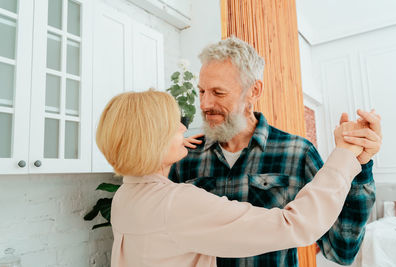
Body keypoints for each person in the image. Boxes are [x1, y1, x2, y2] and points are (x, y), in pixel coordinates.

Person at [169, 37, 382, 266]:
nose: (204, 104)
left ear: (254, 90)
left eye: (218, 93)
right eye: (201, 91)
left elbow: (342, 250)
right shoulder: (184, 157)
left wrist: (358, 163)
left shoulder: (298, 153)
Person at [96, 90, 368, 267]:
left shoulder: (124, 198)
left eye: (217, 92)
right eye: (172, 124)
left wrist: (167, 152)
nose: (183, 126)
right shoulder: (176, 203)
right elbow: (294, 225)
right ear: (150, 141)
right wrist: (344, 155)